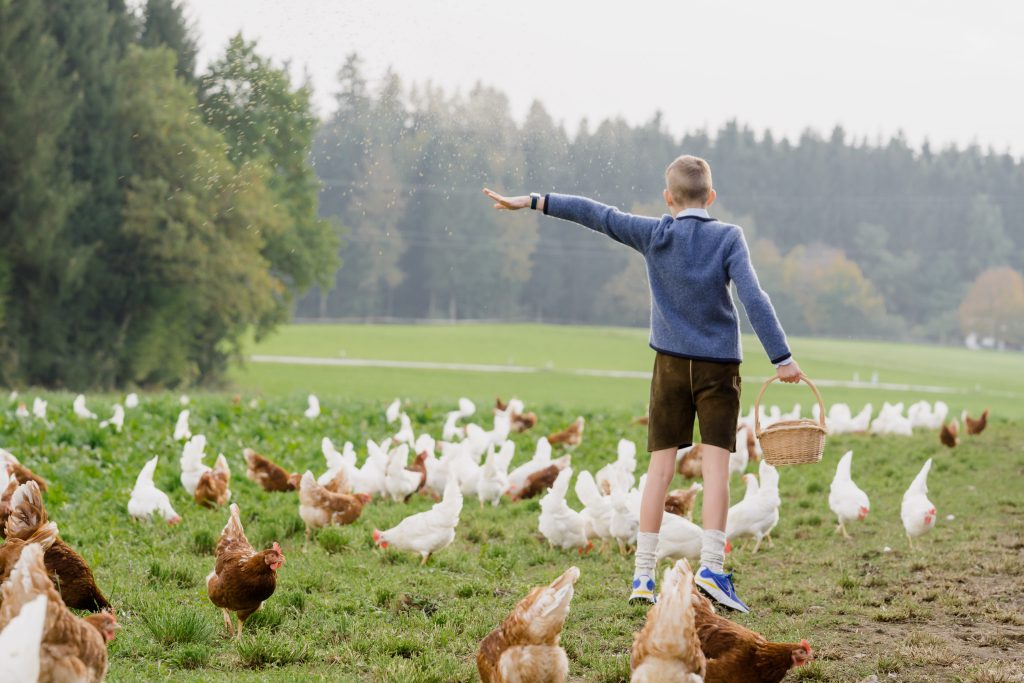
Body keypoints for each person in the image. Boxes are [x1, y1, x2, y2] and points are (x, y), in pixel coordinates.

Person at [482, 154, 802, 613]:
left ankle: (643, 576)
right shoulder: (729, 237)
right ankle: (712, 569)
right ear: (711, 197)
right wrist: (782, 358)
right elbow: (754, 297)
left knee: (660, 470)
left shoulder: (654, 233)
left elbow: (595, 213)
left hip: (669, 366)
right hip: (718, 368)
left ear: (668, 198)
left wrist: (533, 201)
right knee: (716, 470)